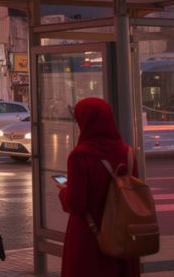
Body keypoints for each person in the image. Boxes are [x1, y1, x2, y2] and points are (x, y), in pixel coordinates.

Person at [58, 97, 139, 277]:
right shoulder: (127, 153)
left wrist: (64, 190)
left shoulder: (80, 156)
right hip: (122, 236)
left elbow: (76, 204)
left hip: (89, 237)